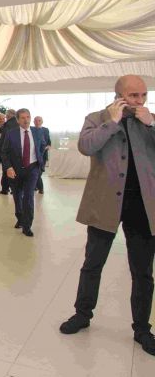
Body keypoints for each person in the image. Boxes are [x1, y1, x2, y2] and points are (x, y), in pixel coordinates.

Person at [59, 75, 155, 357]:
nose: (140, 100)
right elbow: (86, 146)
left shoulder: (149, 120)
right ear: (119, 95)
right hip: (105, 203)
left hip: (143, 206)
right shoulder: (96, 118)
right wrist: (111, 122)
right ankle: (82, 314)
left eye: (144, 95)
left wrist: (151, 124)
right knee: (93, 263)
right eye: (134, 95)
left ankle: (142, 328)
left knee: (143, 271)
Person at [0, 109, 45, 237]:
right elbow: (4, 152)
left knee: (29, 196)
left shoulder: (37, 132)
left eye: (28, 117)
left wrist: (39, 160)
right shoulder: (11, 133)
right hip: (15, 169)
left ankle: (27, 225)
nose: (26, 120)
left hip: (32, 168)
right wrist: (8, 167)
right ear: (18, 120)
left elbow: (42, 146)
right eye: (23, 118)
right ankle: (20, 218)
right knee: (17, 195)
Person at [0, 109, 18, 195]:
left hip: (7, 152)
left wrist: (1, 152)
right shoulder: (18, 123)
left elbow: (3, 140)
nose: (5, 116)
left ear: (9, 115)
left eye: (6, 115)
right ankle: (15, 189)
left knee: (6, 170)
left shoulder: (7, 125)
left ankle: (5, 189)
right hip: (17, 152)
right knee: (16, 170)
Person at [32, 116, 51, 193]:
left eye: (39, 120)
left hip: (43, 155)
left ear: (42, 122)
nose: (37, 122)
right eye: (36, 120)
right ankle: (40, 188)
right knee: (36, 172)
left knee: (39, 173)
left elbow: (49, 142)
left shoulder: (45, 130)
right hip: (34, 155)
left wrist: (47, 147)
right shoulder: (31, 130)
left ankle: (36, 187)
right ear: (33, 122)